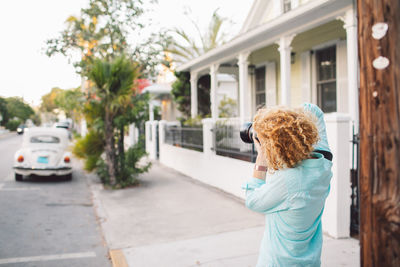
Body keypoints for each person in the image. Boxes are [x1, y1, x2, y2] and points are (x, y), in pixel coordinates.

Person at [242, 103, 333, 267]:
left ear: (277, 147)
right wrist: (284, 120)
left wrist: (261, 158)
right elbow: (316, 112)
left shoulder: (289, 181)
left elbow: (252, 200)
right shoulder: (324, 163)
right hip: (310, 261)